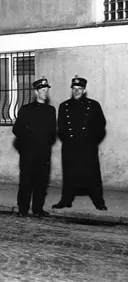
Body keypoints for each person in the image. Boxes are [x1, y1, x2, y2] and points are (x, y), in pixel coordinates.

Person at [52, 76, 107, 211]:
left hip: (88, 146)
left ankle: (98, 201)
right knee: (69, 173)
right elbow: (61, 126)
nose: (76, 91)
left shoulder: (93, 105)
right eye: (74, 88)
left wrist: (92, 140)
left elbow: (101, 125)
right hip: (70, 146)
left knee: (92, 174)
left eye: (80, 89)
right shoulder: (64, 106)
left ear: (84, 90)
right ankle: (66, 200)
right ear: (72, 90)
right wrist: (67, 140)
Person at [12, 77, 57, 218]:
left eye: (46, 90)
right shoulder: (26, 110)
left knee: (41, 182)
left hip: (44, 153)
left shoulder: (51, 110)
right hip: (28, 153)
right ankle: (23, 209)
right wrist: (26, 143)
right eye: (42, 90)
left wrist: (46, 142)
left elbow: (52, 131)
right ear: (36, 92)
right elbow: (16, 129)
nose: (45, 93)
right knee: (26, 181)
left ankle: (38, 209)